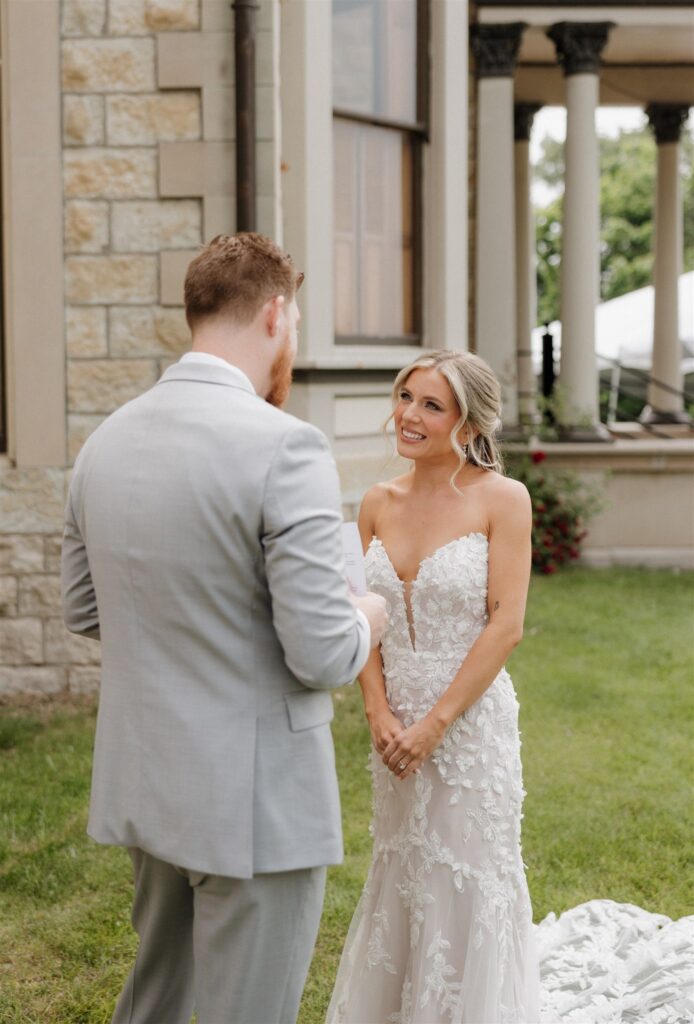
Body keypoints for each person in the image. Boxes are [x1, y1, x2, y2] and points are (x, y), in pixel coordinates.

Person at [61, 232, 388, 1024]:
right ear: (275, 315)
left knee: (158, 1003)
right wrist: (367, 611)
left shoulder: (103, 443)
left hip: (148, 777)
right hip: (256, 803)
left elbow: (84, 608)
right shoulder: (287, 447)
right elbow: (321, 653)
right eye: (299, 324)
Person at [327, 349, 541, 1023]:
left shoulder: (503, 500)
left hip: (467, 726)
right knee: (405, 869)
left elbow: (506, 624)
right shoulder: (375, 502)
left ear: (468, 423)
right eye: (405, 398)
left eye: (430, 405)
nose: (408, 416)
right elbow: (357, 613)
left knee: (468, 875)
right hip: (394, 727)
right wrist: (378, 710)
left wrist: (435, 725)